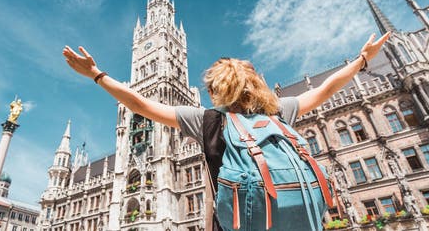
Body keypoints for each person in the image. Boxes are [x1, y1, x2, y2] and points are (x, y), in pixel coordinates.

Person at [62, 32, 390, 230]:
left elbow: (141, 105)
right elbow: (326, 89)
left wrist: (97, 75)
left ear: (215, 89)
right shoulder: (279, 111)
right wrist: (362, 59)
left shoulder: (206, 120)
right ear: (258, 85)